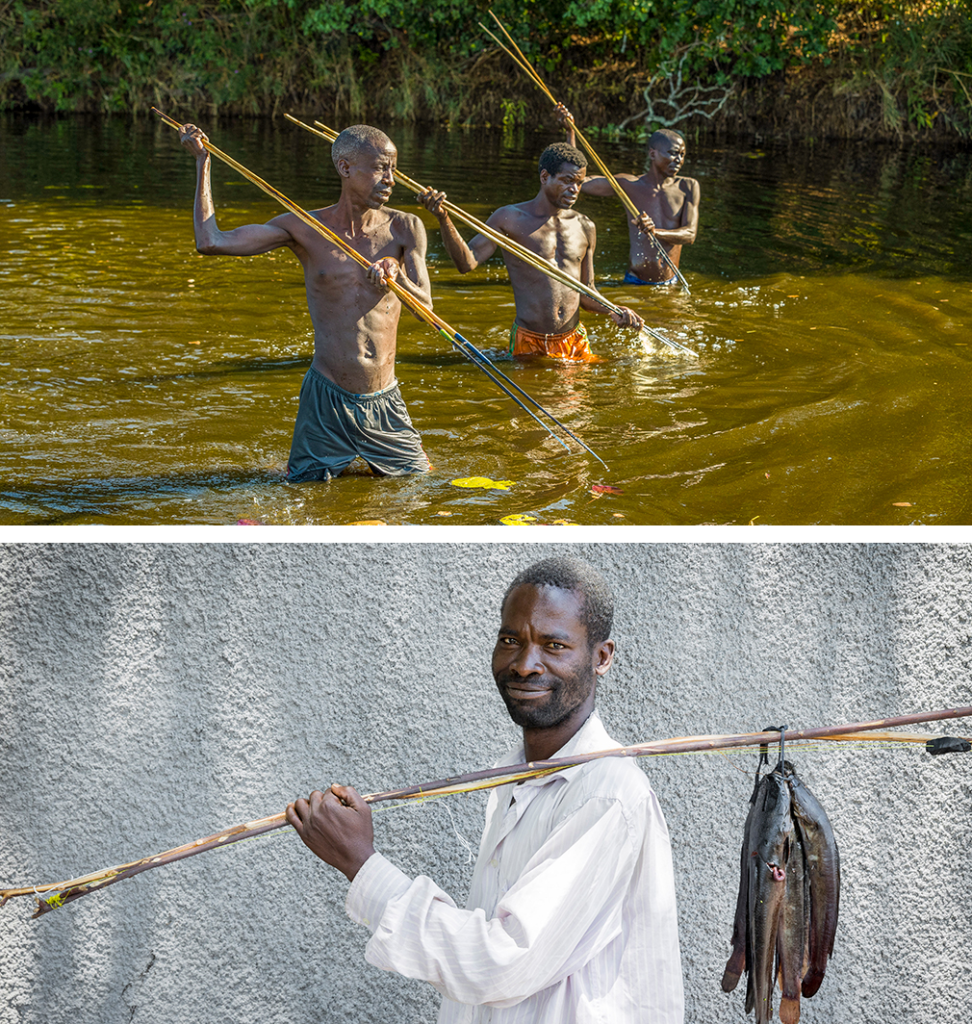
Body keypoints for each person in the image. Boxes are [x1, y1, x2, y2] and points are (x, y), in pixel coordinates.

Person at [286, 556, 685, 1023]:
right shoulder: (514, 779)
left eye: (554, 645)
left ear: (601, 657)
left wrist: (362, 864)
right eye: (510, 640)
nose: (524, 665)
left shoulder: (608, 796)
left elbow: (502, 962)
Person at [179, 122, 433, 481]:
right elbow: (211, 241)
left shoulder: (405, 227)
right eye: (380, 168)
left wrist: (397, 276)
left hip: (383, 398)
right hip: (326, 398)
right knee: (304, 491)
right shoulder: (304, 228)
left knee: (418, 484)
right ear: (346, 168)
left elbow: (427, 312)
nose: (392, 179)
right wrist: (203, 163)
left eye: (394, 169)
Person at [417, 144, 643, 362]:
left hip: (574, 340)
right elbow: (467, 262)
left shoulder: (585, 226)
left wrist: (614, 310)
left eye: (579, 183)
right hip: (530, 342)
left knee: (577, 401)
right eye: (567, 181)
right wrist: (443, 218)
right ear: (545, 177)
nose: (574, 189)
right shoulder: (509, 219)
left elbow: (587, 293)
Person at [557, 104, 700, 287]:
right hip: (634, 283)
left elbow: (690, 235)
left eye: (682, 155)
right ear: (652, 154)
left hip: (670, 283)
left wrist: (655, 232)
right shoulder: (629, 185)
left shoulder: (688, 186)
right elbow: (579, 182)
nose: (679, 160)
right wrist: (571, 134)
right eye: (673, 153)